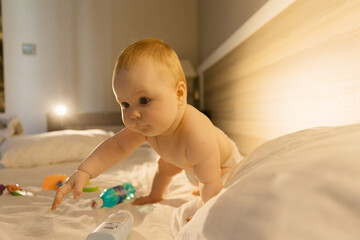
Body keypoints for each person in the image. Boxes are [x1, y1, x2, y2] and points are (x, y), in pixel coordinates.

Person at [51, 38, 242, 219]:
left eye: (144, 100)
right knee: (165, 166)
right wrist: (84, 171)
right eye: (125, 104)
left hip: (223, 164)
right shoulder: (146, 126)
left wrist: (204, 210)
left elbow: (210, 181)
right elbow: (116, 146)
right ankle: (155, 195)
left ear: (179, 94)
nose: (133, 113)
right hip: (186, 161)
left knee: (216, 184)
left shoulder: (196, 132)